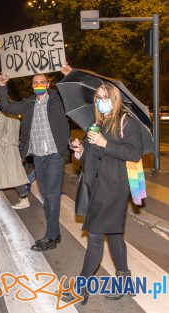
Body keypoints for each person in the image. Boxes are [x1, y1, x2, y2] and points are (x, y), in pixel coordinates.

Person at [62, 82, 143, 304]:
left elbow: (134, 153)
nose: (100, 101)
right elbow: (89, 154)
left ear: (115, 99)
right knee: (115, 236)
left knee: (96, 238)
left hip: (114, 189)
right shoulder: (95, 124)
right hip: (95, 186)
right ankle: (125, 282)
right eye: (97, 97)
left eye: (105, 97)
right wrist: (79, 151)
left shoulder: (127, 122)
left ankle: (81, 288)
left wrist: (105, 143)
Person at [0, 65, 72, 252]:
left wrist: (69, 76)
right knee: (47, 197)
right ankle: (55, 232)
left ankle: (51, 237)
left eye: (42, 82)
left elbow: (73, 95)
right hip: (38, 156)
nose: (39, 84)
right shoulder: (29, 103)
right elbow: (6, 106)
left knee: (53, 196)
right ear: (32, 86)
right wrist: (2, 86)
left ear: (48, 84)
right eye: (35, 82)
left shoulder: (58, 100)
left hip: (55, 154)